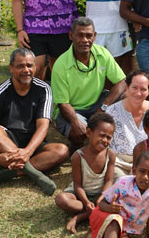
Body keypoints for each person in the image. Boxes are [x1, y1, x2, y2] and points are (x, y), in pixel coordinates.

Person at [57, 151, 149, 238]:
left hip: (124, 230)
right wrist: (110, 208)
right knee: (115, 220)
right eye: (141, 171)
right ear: (134, 170)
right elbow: (101, 203)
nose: (145, 177)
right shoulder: (123, 182)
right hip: (108, 221)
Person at [0, 48, 68, 195]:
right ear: (11, 68)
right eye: (20, 66)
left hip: (34, 144)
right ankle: (35, 174)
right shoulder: (0, 92)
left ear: (35, 67)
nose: (26, 70)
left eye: (29, 65)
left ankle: (5, 175)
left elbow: (43, 126)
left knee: (62, 150)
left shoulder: (44, 89)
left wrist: (28, 151)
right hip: (7, 143)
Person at [51, 17, 126, 151]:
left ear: (94, 36)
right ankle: (78, 148)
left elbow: (121, 82)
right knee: (80, 131)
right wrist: (75, 123)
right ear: (71, 35)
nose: (84, 40)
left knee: (127, 96)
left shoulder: (102, 53)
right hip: (73, 110)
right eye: (80, 35)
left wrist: (103, 107)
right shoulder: (61, 65)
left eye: (88, 36)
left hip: (97, 104)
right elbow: (63, 104)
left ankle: (120, 138)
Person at [55, 113, 116, 234]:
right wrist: (86, 202)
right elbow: (77, 184)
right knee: (61, 199)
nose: (105, 140)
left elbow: (109, 180)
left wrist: (102, 197)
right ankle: (95, 210)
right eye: (101, 135)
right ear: (89, 133)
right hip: (81, 194)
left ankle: (80, 217)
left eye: (108, 137)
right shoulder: (78, 156)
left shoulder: (110, 154)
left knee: (120, 201)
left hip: (101, 194)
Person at [106, 70, 149, 179]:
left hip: (148, 163)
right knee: (124, 183)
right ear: (127, 87)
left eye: (143, 89)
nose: (138, 93)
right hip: (120, 163)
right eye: (134, 88)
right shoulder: (112, 111)